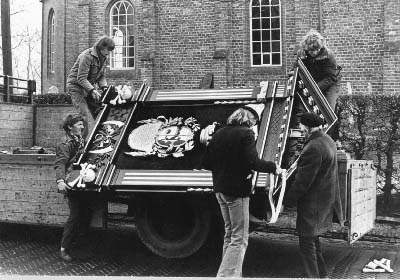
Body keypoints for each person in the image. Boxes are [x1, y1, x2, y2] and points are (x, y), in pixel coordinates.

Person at [202, 105, 282, 278]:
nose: (254, 125)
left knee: (229, 234)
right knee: (240, 238)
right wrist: (273, 168)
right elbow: (254, 162)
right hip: (237, 192)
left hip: (220, 190)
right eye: (254, 121)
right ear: (250, 119)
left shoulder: (219, 133)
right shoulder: (246, 134)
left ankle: (231, 274)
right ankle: (226, 276)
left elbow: (206, 163)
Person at [284, 112, 343, 278]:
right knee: (313, 240)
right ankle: (322, 275)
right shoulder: (327, 140)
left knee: (307, 243)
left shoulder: (313, 147)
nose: (300, 129)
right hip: (323, 201)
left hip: (312, 204)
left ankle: (313, 276)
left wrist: (286, 201)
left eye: (301, 126)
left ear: (306, 127)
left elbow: (303, 182)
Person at [54, 113, 92, 262]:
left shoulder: (79, 139)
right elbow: (60, 163)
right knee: (75, 214)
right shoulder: (65, 143)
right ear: (70, 127)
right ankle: (63, 249)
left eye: (82, 124)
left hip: (81, 179)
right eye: (79, 124)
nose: (82, 126)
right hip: (72, 182)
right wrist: (60, 181)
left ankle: (78, 247)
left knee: (85, 213)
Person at [67, 36, 115, 139]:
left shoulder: (103, 58)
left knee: (100, 111)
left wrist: (104, 88)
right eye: (108, 50)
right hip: (76, 87)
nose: (109, 53)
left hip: (87, 87)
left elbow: (101, 76)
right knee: (84, 117)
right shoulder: (87, 56)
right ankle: (82, 145)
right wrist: (92, 90)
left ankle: (104, 139)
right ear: (102, 47)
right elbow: (81, 78)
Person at [293, 29, 342, 111]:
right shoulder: (301, 54)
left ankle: (329, 122)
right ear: (306, 48)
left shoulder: (328, 56)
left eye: (316, 50)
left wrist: (314, 89)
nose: (314, 53)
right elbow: (295, 69)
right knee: (305, 107)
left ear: (321, 47)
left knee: (328, 109)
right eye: (311, 51)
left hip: (331, 82)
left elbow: (330, 78)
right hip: (313, 81)